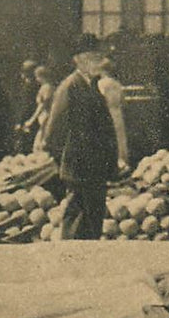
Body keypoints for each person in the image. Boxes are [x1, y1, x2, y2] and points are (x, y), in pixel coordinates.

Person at [40, 33, 118, 240]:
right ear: (79, 60)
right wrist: (65, 161)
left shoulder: (93, 86)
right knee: (76, 221)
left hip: (96, 167)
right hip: (79, 167)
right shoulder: (69, 87)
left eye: (98, 58)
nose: (98, 63)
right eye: (93, 58)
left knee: (93, 220)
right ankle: (69, 262)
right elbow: (52, 132)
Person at [97, 58, 130, 172]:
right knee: (120, 137)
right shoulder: (117, 84)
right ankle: (123, 162)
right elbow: (123, 101)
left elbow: (99, 100)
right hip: (117, 112)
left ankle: (109, 164)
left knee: (108, 137)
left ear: (102, 70)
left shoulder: (100, 84)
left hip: (107, 112)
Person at [18, 64, 54, 153]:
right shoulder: (47, 87)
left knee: (39, 145)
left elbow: (42, 106)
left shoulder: (46, 88)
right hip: (43, 118)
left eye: (37, 77)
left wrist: (31, 120)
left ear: (41, 76)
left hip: (45, 117)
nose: (36, 79)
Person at [13, 59, 39, 154]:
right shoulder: (36, 85)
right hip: (34, 120)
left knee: (26, 147)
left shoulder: (29, 87)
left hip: (29, 121)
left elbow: (26, 106)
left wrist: (20, 122)